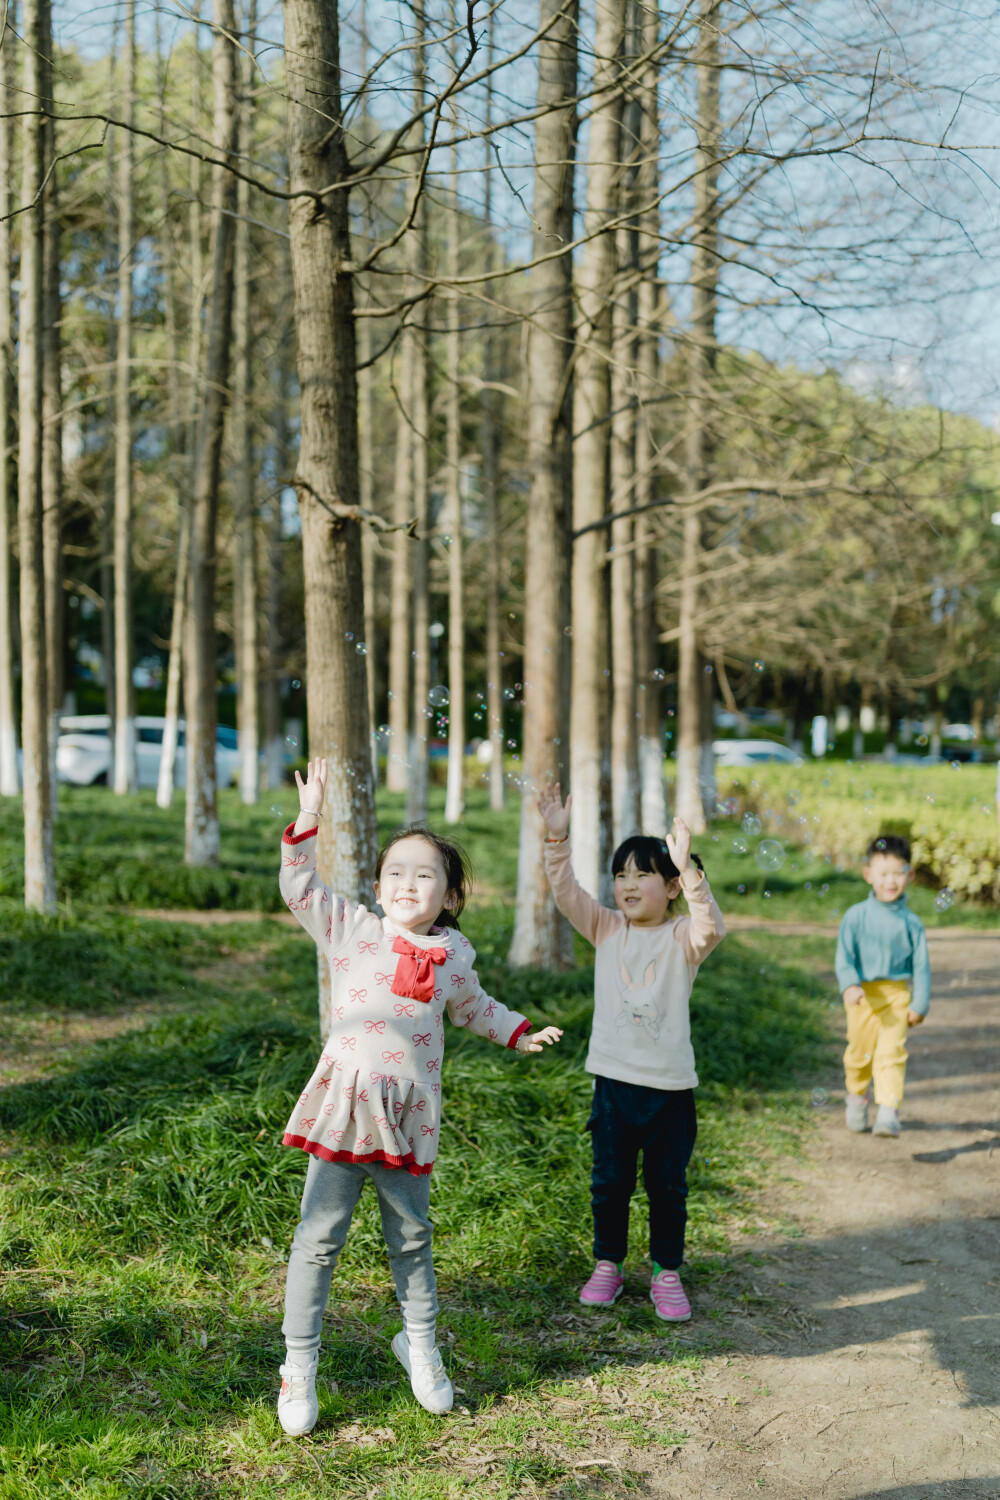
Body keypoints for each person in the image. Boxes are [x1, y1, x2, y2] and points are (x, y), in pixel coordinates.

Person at [277, 758, 563, 1437]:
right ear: (378, 886)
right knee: (318, 1239)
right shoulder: (353, 928)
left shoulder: (454, 956)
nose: (408, 883)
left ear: (450, 894)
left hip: (407, 1121)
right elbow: (298, 889)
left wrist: (518, 1035)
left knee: (411, 1239)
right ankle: (299, 1365)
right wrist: (309, 819)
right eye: (396, 872)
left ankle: (422, 1346)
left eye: (425, 873)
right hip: (345, 1110)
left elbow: (475, 1008)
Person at [537, 784, 726, 1323]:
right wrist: (556, 835)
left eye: (643, 873)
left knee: (667, 1186)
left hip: (670, 1089)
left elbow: (713, 924)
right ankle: (608, 1265)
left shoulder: (685, 937)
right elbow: (566, 891)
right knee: (610, 1182)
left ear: (669, 888)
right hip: (614, 1085)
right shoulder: (606, 928)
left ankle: (667, 1271)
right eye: (620, 874)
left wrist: (690, 869)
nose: (627, 884)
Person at [835, 833, 930, 1139]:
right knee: (858, 1055)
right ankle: (857, 1095)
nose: (891, 881)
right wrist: (849, 985)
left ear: (909, 875)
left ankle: (888, 1111)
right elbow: (844, 958)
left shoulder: (912, 923)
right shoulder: (855, 917)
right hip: (862, 997)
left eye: (898, 873)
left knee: (892, 1054)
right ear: (868, 875)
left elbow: (921, 967)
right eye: (883, 874)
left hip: (896, 996)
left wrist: (920, 1003)